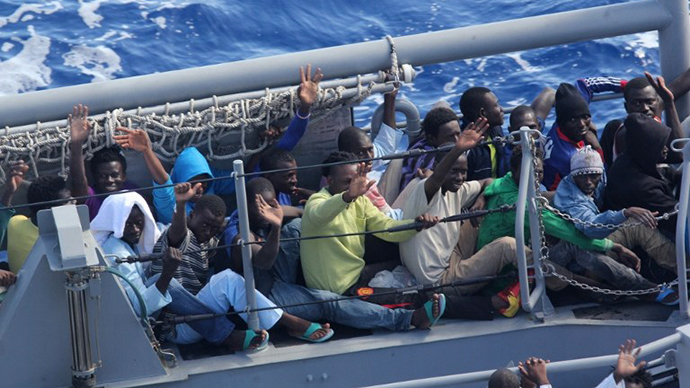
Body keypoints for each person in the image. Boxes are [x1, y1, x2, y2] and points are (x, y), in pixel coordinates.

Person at [229, 177, 445, 332]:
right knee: (328, 302)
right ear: (245, 205)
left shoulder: (268, 212)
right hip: (263, 296)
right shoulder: (238, 233)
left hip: (280, 280)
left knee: (296, 226)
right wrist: (275, 227)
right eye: (260, 206)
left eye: (271, 204)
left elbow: (307, 215)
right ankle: (407, 320)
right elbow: (264, 261)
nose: (266, 210)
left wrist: (315, 200)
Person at [119, 65, 322, 224]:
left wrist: (304, 108)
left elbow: (261, 167)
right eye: (193, 182)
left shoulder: (213, 185)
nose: (199, 188)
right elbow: (163, 181)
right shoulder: (171, 200)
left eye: (204, 182)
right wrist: (146, 150)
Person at [478, 146, 677, 304]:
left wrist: (481, 193)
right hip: (510, 276)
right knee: (575, 244)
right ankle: (644, 289)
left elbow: (491, 182)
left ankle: (682, 270)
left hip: (526, 255)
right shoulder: (519, 203)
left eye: (538, 172)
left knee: (631, 227)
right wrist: (616, 246)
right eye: (527, 172)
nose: (534, 178)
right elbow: (575, 234)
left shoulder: (505, 182)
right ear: (513, 170)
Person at [150, 182, 334, 343]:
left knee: (229, 280)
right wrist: (181, 204)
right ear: (191, 216)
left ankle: (272, 324)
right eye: (204, 224)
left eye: (214, 228)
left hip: (199, 317)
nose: (208, 231)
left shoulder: (210, 241)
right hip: (177, 327)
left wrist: (305, 209)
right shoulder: (181, 236)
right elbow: (177, 231)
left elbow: (237, 221)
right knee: (227, 279)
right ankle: (291, 323)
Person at [91, 192, 271, 351]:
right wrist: (167, 272)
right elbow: (139, 309)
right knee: (163, 282)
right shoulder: (116, 251)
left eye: (139, 223)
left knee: (228, 280)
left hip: (194, 318)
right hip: (170, 327)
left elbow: (165, 230)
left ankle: (279, 321)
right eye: (128, 224)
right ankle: (228, 336)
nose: (136, 230)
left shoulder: (131, 242)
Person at [399, 117, 530, 318]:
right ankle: (557, 276)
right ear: (439, 169)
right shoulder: (424, 191)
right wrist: (458, 149)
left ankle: (506, 262)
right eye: (454, 172)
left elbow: (488, 181)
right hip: (439, 281)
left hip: (450, 255)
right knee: (507, 246)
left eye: (464, 172)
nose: (460, 178)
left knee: (480, 216)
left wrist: (482, 197)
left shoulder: (456, 188)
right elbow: (435, 179)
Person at [301, 151, 439, 296]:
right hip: (337, 290)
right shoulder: (317, 200)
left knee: (402, 259)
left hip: (357, 275)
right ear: (330, 181)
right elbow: (319, 215)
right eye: (347, 182)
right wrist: (348, 196)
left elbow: (386, 227)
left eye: (355, 181)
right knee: (405, 299)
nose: (352, 187)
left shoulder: (361, 201)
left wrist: (416, 224)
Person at [553, 146, 677, 272]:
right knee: (638, 227)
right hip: (581, 253)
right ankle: (683, 267)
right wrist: (625, 213)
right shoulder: (571, 197)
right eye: (581, 176)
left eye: (593, 176)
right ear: (573, 175)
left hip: (592, 243)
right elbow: (590, 228)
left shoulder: (601, 179)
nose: (588, 182)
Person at [605, 113, 679, 237]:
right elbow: (676, 219)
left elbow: (669, 174)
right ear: (648, 149)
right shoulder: (641, 186)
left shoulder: (632, 159)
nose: (666, 149)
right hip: (647, 235)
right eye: (660, 147)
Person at [460, 86, 554, 181]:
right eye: (497, 105)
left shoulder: (494, 129)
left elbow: (548, 94)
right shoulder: (468, 150)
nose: (502, 109)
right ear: (483, 113)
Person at [337, 89, 404, 219]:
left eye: (370, 149)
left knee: (398, 161)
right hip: (381, 224)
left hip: (378, 214)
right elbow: (391, 219)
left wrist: (390, 97)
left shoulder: (357, 161)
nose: (369, 157)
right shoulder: (361, 185)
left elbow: (386, 146)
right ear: (347, 154)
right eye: (361, 153)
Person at [597, 72, 687, 168]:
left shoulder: (653, 110)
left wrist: (668, 99)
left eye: (649, 102)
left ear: (657, 102)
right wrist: (669, 103)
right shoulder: (628, 134)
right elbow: (677, 155)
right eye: (636, 103)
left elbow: (682, 83)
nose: (645, 108)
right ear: (626, 107)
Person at [68, 104, 137, 220]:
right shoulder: (92, 196)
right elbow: (78, 181)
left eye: (115, 175)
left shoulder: (131, 193)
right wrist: (76, 143)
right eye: (103, 176)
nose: (110, 180)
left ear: (124, 176)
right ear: (94, 177)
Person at [8, 175, 75, 273]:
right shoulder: (60, 243)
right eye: (67, 201)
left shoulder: (14, 222)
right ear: (48, 210)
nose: (74, 201)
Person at [543, 83, 604, 190]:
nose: (581, 124)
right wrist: (597, 148)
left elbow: (585, 84)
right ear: (562, 123)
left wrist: (625, 86)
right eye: (573, 120)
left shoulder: (559, 125)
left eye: (585, 117)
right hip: (563, 197)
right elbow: (599, 178)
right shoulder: (569, 157)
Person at [398, 106, 460, 192]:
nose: (457, 141)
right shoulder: (428, 160)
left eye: (458, 134)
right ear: (432, 139)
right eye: (450, 137)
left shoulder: (423, 140)